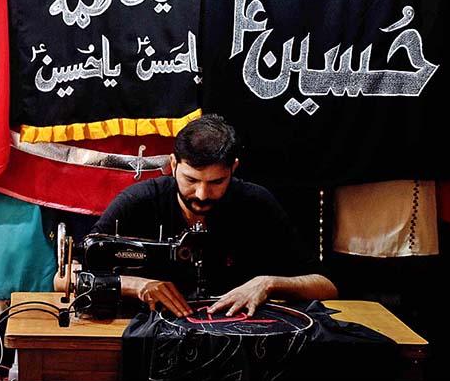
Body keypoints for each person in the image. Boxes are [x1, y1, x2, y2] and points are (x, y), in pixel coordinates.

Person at [59, 114, 337, 318]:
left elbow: (327, 286)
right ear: (173, 164)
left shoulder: (256, 203)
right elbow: (62, 279)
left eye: (217, 182)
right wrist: (134, 285)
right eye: (191, 179)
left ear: (234, 168)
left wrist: (268, 283)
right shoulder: (139, 202)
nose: (202, 194)